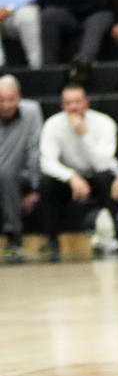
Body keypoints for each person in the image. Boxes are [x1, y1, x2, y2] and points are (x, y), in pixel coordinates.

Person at [37, 83, 118, 258]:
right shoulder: (53, 124)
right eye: (68, 103)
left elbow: (103, 164)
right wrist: (71, 177)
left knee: (106, 178)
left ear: (86, 103)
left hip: (96, 176)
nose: (73, 107)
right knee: (46, 183)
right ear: (62, 106)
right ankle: (52, 240)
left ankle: (113, 236)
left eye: (77, 102)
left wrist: (84, 133)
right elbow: (46, 162)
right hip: (70, 179)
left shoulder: (104, 123)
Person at [0, 74, 41, 258]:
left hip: (21, 173)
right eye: (1, 101)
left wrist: (33, 187)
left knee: (6, 173)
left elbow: (35, 149)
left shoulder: (31, 111)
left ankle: (14, 235)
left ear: (19, 97)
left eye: (11, 99)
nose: (6, 105)